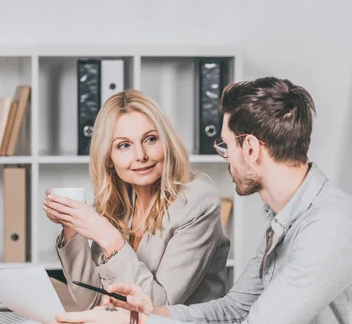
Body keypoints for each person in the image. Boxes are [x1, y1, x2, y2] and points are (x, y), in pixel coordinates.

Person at [51, 78, 352, 324]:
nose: (225, 156)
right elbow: (234, 310)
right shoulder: (287, 219)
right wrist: (154, 314)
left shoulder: (329, 229)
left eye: (225, 145)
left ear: (251, 149)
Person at [43, 89, 230, 310]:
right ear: (108, 158)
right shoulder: (117, 206)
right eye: (124, 145)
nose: (140, 155)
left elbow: (160, 306)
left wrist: (107, 237)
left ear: (166, 143)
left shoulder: (197, 200)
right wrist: (71, 225)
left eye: (150, 139)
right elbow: (91, 302)